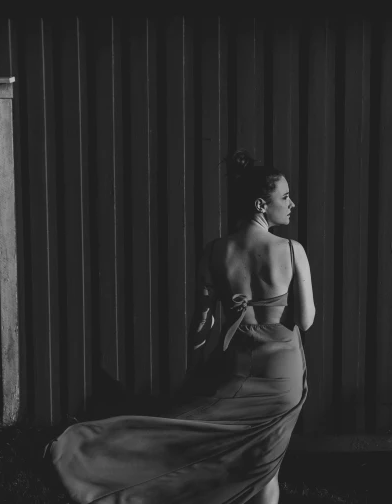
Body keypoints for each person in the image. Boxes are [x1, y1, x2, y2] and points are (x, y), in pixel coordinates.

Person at [47, 149, 315, 504]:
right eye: (284, 196)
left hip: (237, 365)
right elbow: (307, 321)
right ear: (260, 205)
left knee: (191, 434)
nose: (292, 203)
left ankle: (96, 459)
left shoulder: (216, 250)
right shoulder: (292, 251)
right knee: (265, 462)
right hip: (282, 373)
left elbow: (202, 322)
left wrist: (196, 364)